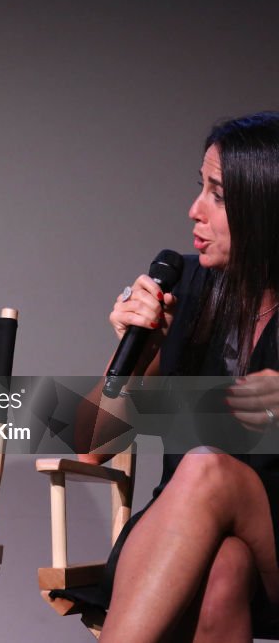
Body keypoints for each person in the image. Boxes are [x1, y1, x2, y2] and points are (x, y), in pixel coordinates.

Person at [82, 112, 279, 641]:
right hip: (185, 542)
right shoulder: (188, 289)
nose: (194, 211)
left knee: (207, 468)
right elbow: (91, 445)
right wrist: (137, 346)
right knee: (224, 569)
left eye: (218, 195)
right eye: (201, 188)